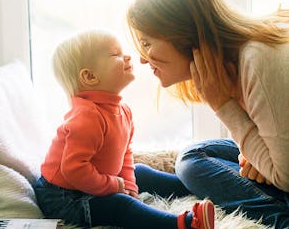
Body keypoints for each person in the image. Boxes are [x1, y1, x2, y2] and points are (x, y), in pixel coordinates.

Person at [126, 0, 289, 228]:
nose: (141, 58)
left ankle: (279, 217)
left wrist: (223, 106)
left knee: (192, 162)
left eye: (147, 43)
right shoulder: (239, 60)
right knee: (197, 154)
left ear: (181, 33)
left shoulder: (255, 60)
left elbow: (285, 177)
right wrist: (253, 157)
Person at [34, 29, 215, 229]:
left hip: (92, 181)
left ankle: (199, 187)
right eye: (116, 55)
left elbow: (124, 154)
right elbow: (74, 169)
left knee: (141, 172)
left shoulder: (122, 110)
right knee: (121, 206)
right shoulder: (86, 118)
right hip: (64, 197)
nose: (128, 56)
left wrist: (128, 184)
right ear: (90, 76)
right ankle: (185, 224)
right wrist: (112, 186)